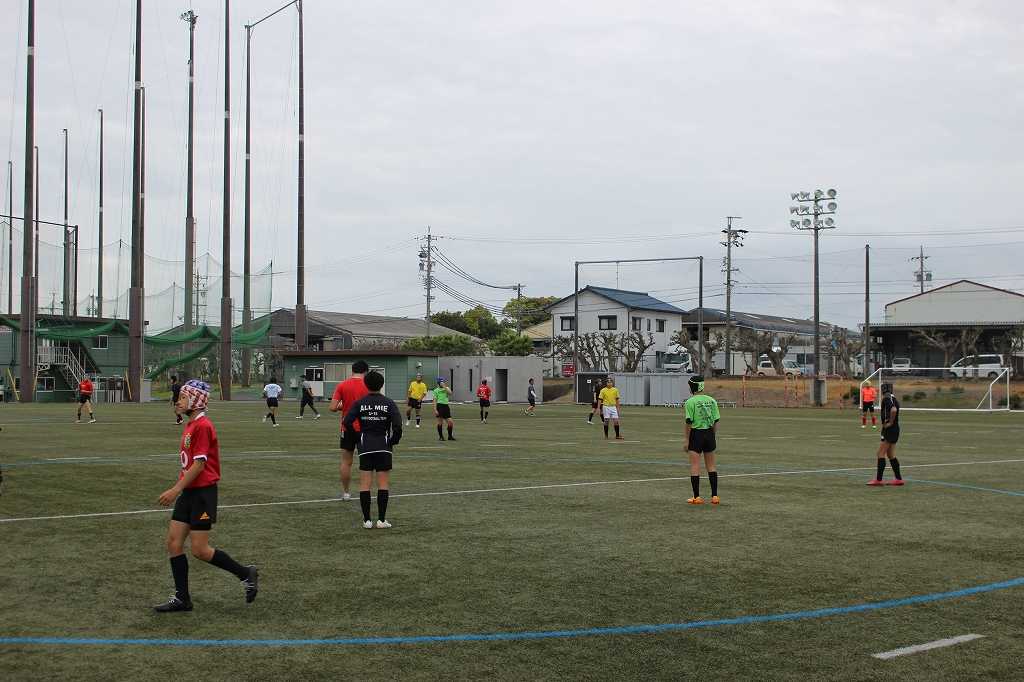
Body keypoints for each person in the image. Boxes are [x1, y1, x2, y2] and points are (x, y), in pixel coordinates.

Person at [153, 379, 258, 612]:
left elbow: (199, 465)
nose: (178, 401)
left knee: (200, 550)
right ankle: (182, 598)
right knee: (173, 543)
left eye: (183, 397)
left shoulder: (203, 426)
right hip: (189, 492)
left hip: (202, 493)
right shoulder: (191, 424)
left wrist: (175, 489)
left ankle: (245, 573)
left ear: (196, 401)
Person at [342, 371, 402, 529]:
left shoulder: (360, 403)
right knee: (383, 483)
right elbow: (397, 425)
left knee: (365, 484)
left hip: (366, 446)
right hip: (383, 446)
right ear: (382, 385)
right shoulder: (389, 403)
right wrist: (393, 441)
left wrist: (357, 437)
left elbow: (347, 422)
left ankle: (367, 520)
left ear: (366, 385)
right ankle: (381, 520)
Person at [330, 360, 370, 501]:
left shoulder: (342, 385)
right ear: (365, 371)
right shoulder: (369, 385)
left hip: (347, 428)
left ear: (352, 371)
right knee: (366, 462)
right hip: (365, 428)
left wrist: (345, 406)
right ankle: (365, 491)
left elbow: (332, 407)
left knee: (346, 462)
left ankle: (346, 493)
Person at [683, 375, 722, 505]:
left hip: (696, 434)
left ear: (692, 387)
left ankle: (697, 497)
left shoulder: (690, 402)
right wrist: (712, 435)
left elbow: (689, 422)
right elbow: (716, 421)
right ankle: (715, 496)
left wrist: (686, 440)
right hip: (709, 433)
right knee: (711, 466)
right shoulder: (712, 400)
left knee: (695, 465)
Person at [868, 383, 904, 486]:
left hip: (889, 429)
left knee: (880, 453)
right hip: (895, 429)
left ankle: (878, 480)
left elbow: (893, 410)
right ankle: (898, 479)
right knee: (891, 455)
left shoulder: (887, 398)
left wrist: (890, 422)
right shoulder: (894, 399)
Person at [433, 377, 455, 441]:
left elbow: (450, 393)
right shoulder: (436, 390)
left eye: (443, 382)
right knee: (440, 422)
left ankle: (450, 436)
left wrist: (444, 387)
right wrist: (435, 409)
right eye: (441, 382)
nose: (442, 383)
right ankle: (441, 437)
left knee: (450, 422)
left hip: (446, 406)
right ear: (438, 383)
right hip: (439, 406)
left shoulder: (446, 388)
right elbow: (434, 400)